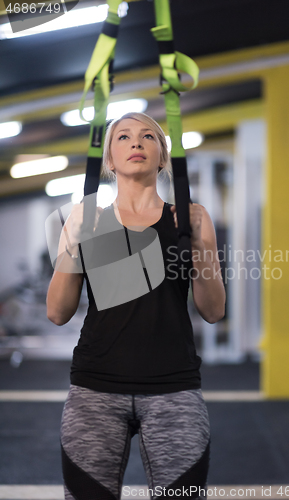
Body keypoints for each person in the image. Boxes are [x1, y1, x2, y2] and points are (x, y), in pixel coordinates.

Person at [46, 112, 226, 500]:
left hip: (173, 390)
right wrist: (73, 246)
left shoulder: (191, 218)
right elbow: (57, 313)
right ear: (109, 159)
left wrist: (202, 248)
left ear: (163, 155)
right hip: (95, 390)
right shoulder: (85, 219)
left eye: (148, 136)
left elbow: (213, 311)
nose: (136, 142)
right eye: (123, 137)